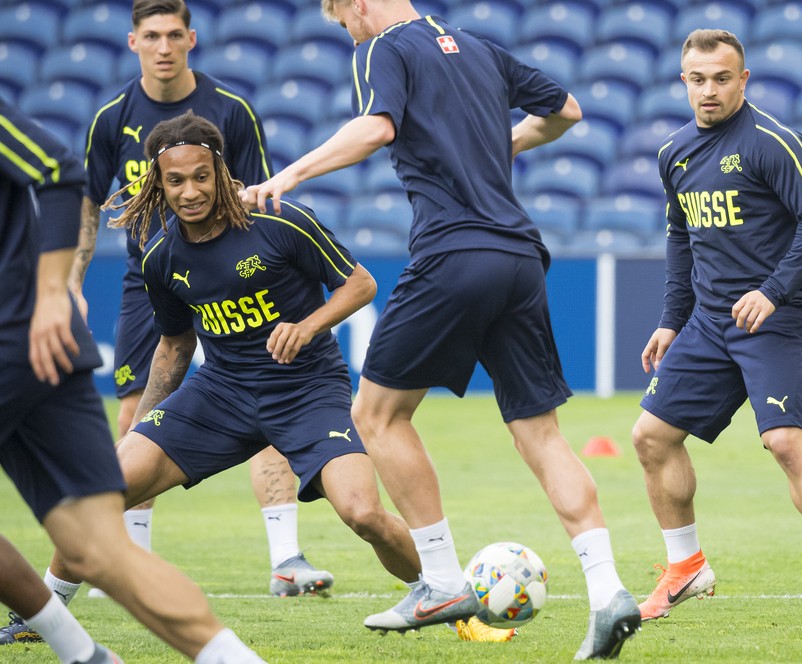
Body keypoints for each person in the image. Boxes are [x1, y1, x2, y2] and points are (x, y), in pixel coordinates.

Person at [240, 0, 641, 658]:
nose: (348, 33)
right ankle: (607, 590)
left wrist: (288, 173)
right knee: (540, 435)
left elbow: (374, 128)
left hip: (453, 253)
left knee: (376, 416)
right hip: (519, 256)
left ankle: (442, 580)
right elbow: (566, 110)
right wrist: (503, 143)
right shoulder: (480, 48)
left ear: (357, 3)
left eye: (343, 20)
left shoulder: (383, 48)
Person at [51, 111, 514, 645]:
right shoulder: (161, 256)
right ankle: (41, 615)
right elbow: (175, 347)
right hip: (221, 393)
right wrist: (135, 429)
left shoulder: (281, 220)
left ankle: (455, 607)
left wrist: (309, 324)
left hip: (307, 391)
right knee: (101, 490)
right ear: (158, 183)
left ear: (221, 171)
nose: (190, 191)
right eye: (175, 180)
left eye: (201, 175)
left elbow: (360, 284)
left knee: (363, 513)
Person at [63, 0, 330, 602]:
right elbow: (87, 203)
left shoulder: (230, 111)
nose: (163, 46)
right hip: (151, 282)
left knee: (268, 398)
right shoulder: (112, 117)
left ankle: (286, 558)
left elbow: (259, 196)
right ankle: (127, 563)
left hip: (241, 278)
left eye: (173, 34)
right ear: (133, 42)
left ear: (191, 39)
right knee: (137, 417)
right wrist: (73, 283)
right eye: (150, 35)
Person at [0, 100, 265, 663]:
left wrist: (51, 293)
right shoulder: (159, 255)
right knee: (96, 545)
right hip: (39, 341)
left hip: (16, 333)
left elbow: (57, 171)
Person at [632, 29, 802, 626]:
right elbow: (681, 241)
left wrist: (773, 290)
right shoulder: (673, 153)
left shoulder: (771, 141)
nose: (709, 90)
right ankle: (686, 568)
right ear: (683, 81)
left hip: (777, 319)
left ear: (743, 79)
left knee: (785, 442)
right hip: (707, 322)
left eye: (722, 78)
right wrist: (670, 322)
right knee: (650, 437)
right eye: (697, 79)